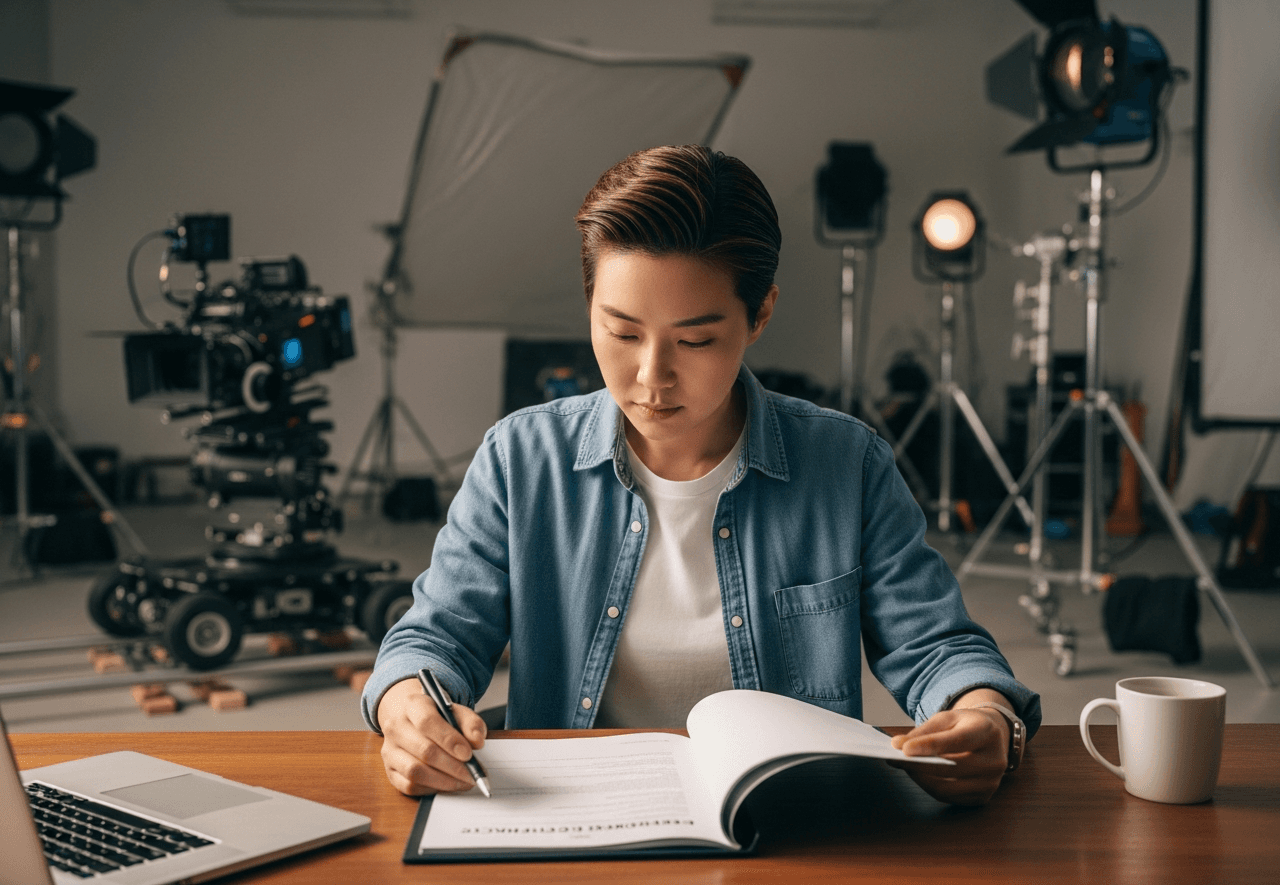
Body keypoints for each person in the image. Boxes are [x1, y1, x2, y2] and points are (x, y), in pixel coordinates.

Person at [362, 145, 1041, 807]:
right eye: (622, 333)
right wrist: (408, 708)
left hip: (785, 829)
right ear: (590, 306)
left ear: (760, 315)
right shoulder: (520, 460)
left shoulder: (846, 465)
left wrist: (986, 717)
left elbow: (937, 646)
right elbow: (433, 639)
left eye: (695, 341)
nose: (651, 376)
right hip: (576, 820)